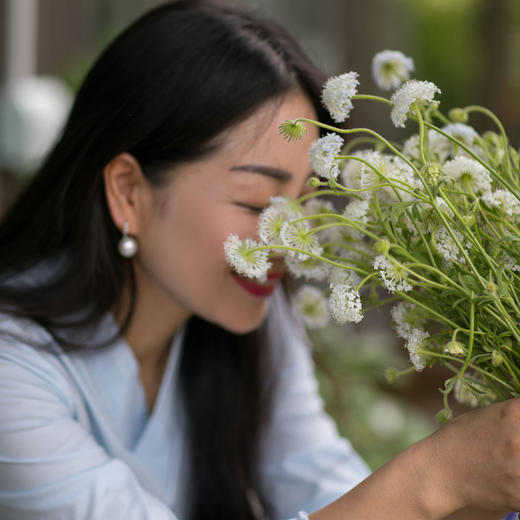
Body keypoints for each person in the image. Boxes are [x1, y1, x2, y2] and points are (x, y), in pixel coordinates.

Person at [0, 1, 519, 519]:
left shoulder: (254, 325)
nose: (293, 245)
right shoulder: (13, 372)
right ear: (128, 191)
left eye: (307, 205)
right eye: (255, 204)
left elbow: (328, 489)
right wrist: (439, 474)